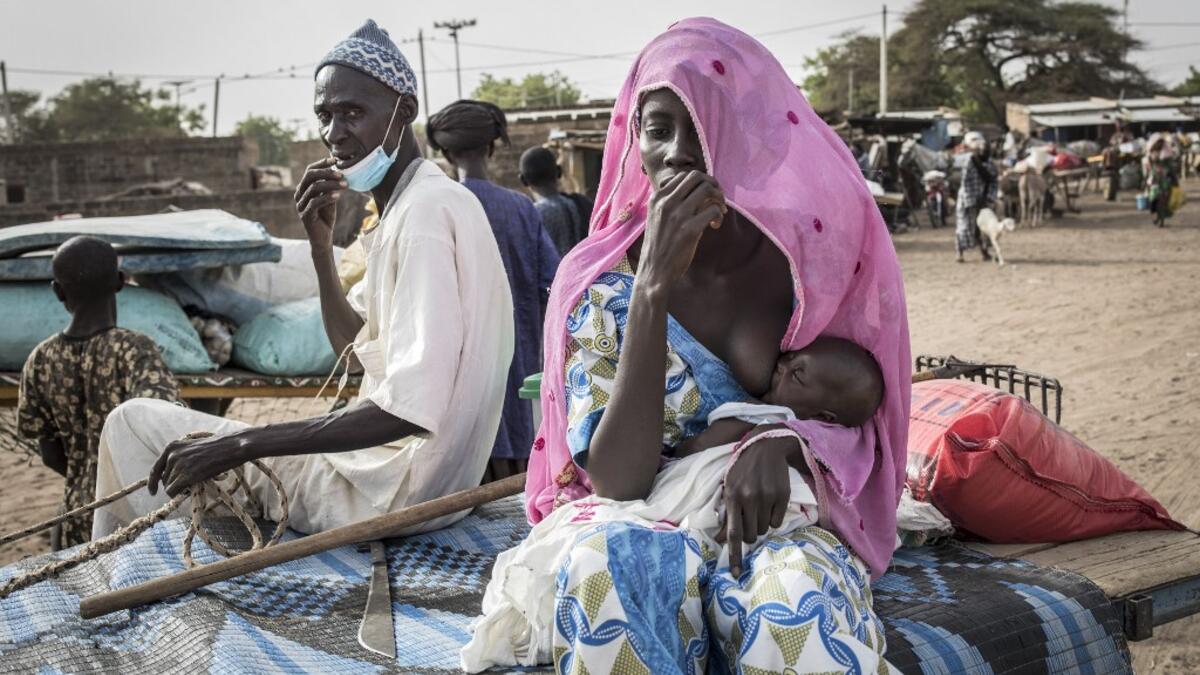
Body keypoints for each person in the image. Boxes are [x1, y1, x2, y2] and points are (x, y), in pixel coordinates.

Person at [522, 18, 910, 672]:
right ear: (633, 138)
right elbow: (618, 478)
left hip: (773, 523)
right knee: (607, 582)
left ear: (750, 137)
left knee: (795, 604)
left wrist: (783, 442)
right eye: (657, 126)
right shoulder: (596, 282)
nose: (677, 151)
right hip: (637, 516)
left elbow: (863, 409)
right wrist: (651, 288)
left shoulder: (807, 268)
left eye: (701, 126)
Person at [93, 20, 514, 539]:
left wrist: (243, 445)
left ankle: (125, 578)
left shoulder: (425, 214)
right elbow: (351, 350)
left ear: (404, 112)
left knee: (130, 422)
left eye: (353, 113)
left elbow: (408, 411)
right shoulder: (411, 207)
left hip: (383, 491)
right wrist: (320, 249)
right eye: (325, 115)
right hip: (410, 484)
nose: (335, 133)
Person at [426, 99, 560, 481]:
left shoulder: (438, 208)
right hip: (520, 359)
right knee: (521, 470)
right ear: (491, 146)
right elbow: (552, 282)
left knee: (473, 461)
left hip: (461, 366)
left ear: (447, 153)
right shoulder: (521, 208)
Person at [18, 236, 179, 547]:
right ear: (120, 282)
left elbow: (50, 455)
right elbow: (164, 429)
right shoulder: (136, 350)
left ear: (57, 291)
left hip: (74, 514)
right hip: (132, 518)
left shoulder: (39, 359)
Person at [673, 336, 884, 458]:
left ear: (822, 417)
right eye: (790, 357)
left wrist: (671, 456)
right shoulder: (809, 447)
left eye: (798, 375)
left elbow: (698, 448)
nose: (782, 366)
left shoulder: (757, 416)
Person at [518, 146, 594, 255]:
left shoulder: (532, 216)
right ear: (559, 172)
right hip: (589, 270)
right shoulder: (583, 204)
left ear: (523, 180)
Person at [956, 130, 999, 262]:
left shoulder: (991, 164)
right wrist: (971, 201)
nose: (984, 152)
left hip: (984, 200)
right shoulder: (970, 162)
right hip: (968, 200)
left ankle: (984, 251)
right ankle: (960, 253)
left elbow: (993, 181)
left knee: (985, 227)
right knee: (965, 225)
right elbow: (966, 182)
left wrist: (990, 198)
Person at [1144, 133, 1180, 228]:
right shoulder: (1151, 153)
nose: (1159, 144)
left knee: (1163, 201)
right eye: (1158, 142)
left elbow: (1171, 168)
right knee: (1153, 199)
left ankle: (1161, 220)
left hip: (1165, 180)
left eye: (1161, 142)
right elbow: (1149, 167)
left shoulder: (1167, 154)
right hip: (1155, 179)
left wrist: (1174, 180)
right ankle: (1157, 217)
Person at [1102, 136, 1122, 202]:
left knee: (1108, 184)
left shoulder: (1105, 150)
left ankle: (1108, 196)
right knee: (1113, 184)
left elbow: (1103, 161)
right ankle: (1111, 196)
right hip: (1113, 169)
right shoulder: (1115, 151)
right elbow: (1118, 161)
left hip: (1108, 169)